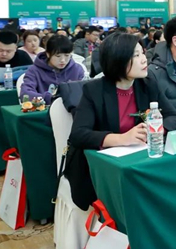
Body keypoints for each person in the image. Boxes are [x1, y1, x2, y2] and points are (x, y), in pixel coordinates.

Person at [65, 33, 158, 211]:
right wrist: (122, 139)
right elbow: (78, 134)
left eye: (143, 53)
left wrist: (155, 130)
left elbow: (172, 117)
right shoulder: (94, 90)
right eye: (136, 55)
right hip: (102, 167)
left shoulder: (147, 84)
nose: (144, 59)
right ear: (118, 60)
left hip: (139, 160)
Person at [19, 35, 85, 104]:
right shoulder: (34, 70)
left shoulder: (77, 69)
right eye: (58, 56)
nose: (63, 60)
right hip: (44, 108)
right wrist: (49, 98)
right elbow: (25, 94)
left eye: (67, 55)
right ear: (48, 54)